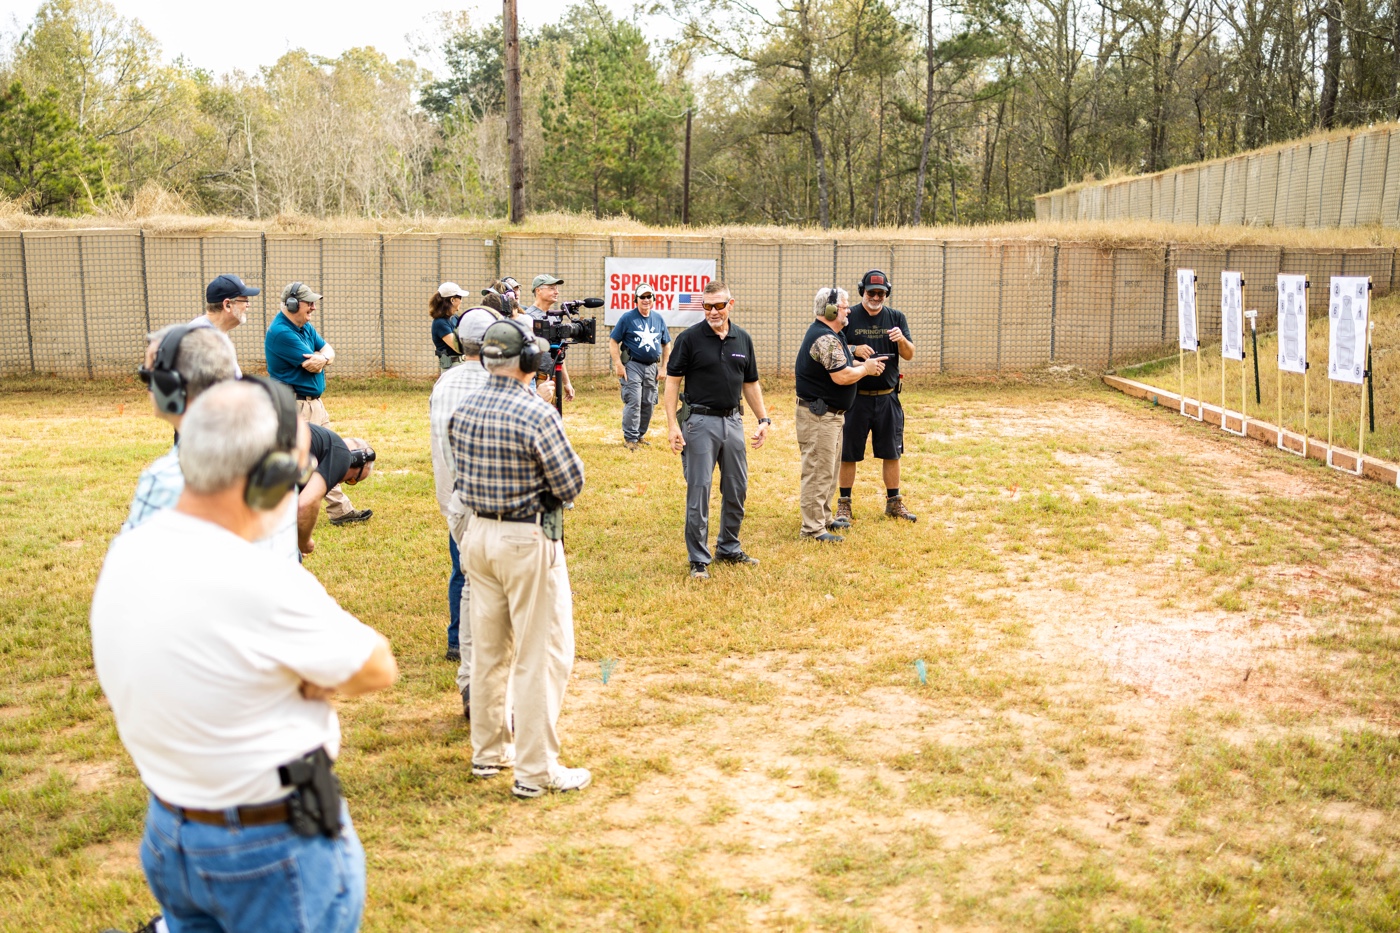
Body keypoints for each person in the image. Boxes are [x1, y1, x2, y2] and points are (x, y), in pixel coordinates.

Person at [91, 380, 398, 933]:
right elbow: (376, 664)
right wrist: (300, 678)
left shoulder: (131, 548)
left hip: (171, 832)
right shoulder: (258, 579)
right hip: (271, 848)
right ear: (270, 478)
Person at [450, 318, 588, 798]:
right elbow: (570, 483)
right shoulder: (537, 414)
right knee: (540, 655)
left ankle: (489, 753)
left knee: (488, 653)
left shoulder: (463, 409)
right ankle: (536, 770)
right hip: (526, 540)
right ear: (528, 361)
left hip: (478, 537)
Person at [663, 280, 772, 579]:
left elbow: (750, 383)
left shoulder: (742, 339)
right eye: (707, 306)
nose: (713, 312)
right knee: (699, 491)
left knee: (737, 488)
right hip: (699, 422)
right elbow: (672, 383)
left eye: (719, 306)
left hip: (733, 421)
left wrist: (763, 419)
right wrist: (673, 425)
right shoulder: (689, 339)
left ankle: (729, 547)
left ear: (730, 304)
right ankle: (699, 558)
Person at [265, 281, 372, 527]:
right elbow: (309, 364)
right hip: (297, 406)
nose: (313, 307)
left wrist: (323, 357)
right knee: (315, 459)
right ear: (291, 304)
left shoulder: (304, 327)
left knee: (325, 456)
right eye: (308, 303)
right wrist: (324, 358)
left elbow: (327, 352)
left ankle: (335, 509)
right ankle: (337, 510)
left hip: (314, 404)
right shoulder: (282, 332)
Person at [429, 309, 497, 675]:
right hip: (487, 497)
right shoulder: (497, 382)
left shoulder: (444, 382)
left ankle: (457, 639)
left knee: (462, 568)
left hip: (452, 496)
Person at [796, 287, 885, 542]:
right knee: (817, 471)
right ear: (831, 310)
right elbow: (842, 375)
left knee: (828, 470)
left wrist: (863, 364)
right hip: (819, 417)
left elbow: (842, 364)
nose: (848, 311)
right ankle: (812, 530)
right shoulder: (825, 338)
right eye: (844, 307)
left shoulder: (832, 336)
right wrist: (865, 369)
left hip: (829, 416)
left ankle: (823, 519)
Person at [838, 269, 917, 523]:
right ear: (862, 291)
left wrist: (901, 339)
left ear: (887, 294)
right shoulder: (849, 316)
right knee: (848, 453)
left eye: (881, 293)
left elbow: (909, 354)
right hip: (855, 397)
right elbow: (832, 345)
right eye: (871, 292)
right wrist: (854, 348)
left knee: (892, 452)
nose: (876, 297)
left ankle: (894, 502)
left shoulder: (896, 317)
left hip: (887, 397)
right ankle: (844, 504)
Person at [609, 282, 672, 450]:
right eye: (642, 297)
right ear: (635, 299)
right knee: (634, 400)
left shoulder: (658, 319)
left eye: (648, 296)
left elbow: (667, 344)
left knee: (648, 402)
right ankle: (630, 438)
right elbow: (613, 341)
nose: (646, 300)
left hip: (652, 367)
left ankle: (640, 435)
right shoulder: (627, 318)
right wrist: (618, 365)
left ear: (653, 299)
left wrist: (664, 367)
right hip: (632, 365)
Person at [297, 426, 376, 556]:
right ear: (354, 460)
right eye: (351, 480)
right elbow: (306, 503)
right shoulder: (342, 456)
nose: (339, 482)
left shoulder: (322, 444)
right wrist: (303, 542)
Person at [188, 273, 260, 377]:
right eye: (245, 300)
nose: (248, 305)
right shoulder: (203, 339)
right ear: (227, 305)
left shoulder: (214, 331)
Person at [526, 274, 575, 401]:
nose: (556, 292)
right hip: (536, 380)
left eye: (557, 288)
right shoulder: (527, 318)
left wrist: (566, 382)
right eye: (552, 288)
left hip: (554, 377)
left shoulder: (555, 318)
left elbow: (559, 352)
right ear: (538, 290)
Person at [430, 282, 467, 370]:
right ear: (452, 300)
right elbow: (458, 347)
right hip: (451, 368)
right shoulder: (440, 323)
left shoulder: (455, 318)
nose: (461, 301)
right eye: (460, 298)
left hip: (461, 365)